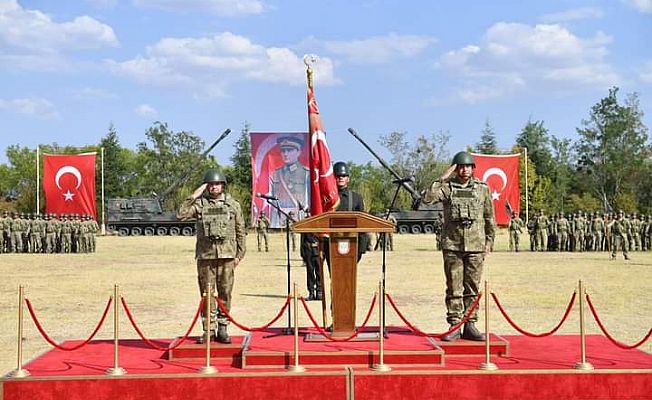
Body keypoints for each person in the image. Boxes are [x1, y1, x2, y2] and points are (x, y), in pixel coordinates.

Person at [423, 151, 495, 342]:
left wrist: (489, 242)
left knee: (472, 287)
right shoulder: (447, 188)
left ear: (473, 168)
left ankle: (470, 324)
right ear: (455, 169)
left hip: (476, 246)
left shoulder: (482, 189)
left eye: (468, 166)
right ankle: (455, 324)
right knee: (454, 287)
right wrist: (443, 177)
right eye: (461, 167)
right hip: (453, 246)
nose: (465, 170)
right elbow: (428, 198)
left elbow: (489, 217)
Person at [177, 169, 246, 344]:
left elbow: (240, 230)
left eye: (217, 184)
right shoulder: (200, 205)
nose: (214, 187)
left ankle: (223, 327)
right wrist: (194, 195)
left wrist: (239, 255)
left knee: (225, 293)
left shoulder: (233, 205)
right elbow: (181, 214)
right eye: (211, 184)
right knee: (206, 294)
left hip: (227, 255)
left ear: (223, 185)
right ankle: (208, 329)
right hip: (206, 256)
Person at [322, 161, 368, 264]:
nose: (341, 178)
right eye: (338, 176)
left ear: (348, 178)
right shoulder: (326, 198)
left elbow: (362, 224)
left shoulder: (356, 198)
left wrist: (361, 248)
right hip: (330, 245)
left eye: (343, 175)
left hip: (351, 244)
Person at [269, 136, 309, 227]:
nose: (285, 154)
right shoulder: (275, 174)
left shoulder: (306, 174)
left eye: (290, 150)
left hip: (299, 218)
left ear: (298, 152)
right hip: (279, 219)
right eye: (283, 151)